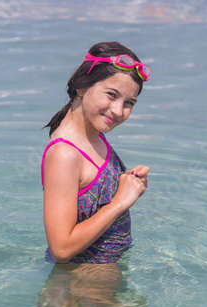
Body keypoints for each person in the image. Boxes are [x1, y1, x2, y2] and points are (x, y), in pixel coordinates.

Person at [41, 41, 150, 265]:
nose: (119, 111)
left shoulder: (93, 135)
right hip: (83, 286)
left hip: (98, 278)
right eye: (111, 95)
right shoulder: (65, 154)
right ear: (81, 87)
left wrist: (128, 184)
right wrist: (119, 202)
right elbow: (61, 249)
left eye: (129, 102)